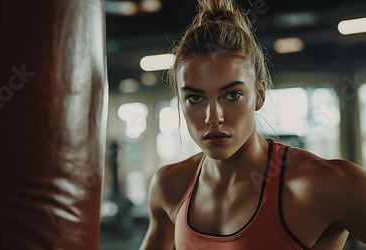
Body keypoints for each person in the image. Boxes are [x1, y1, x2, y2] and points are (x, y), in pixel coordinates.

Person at [138, 0, 366, 249]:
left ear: (259, 95)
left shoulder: (320, 185)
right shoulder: (170, 186)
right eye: (195, 98)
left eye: (232, 95)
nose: (213, 118)